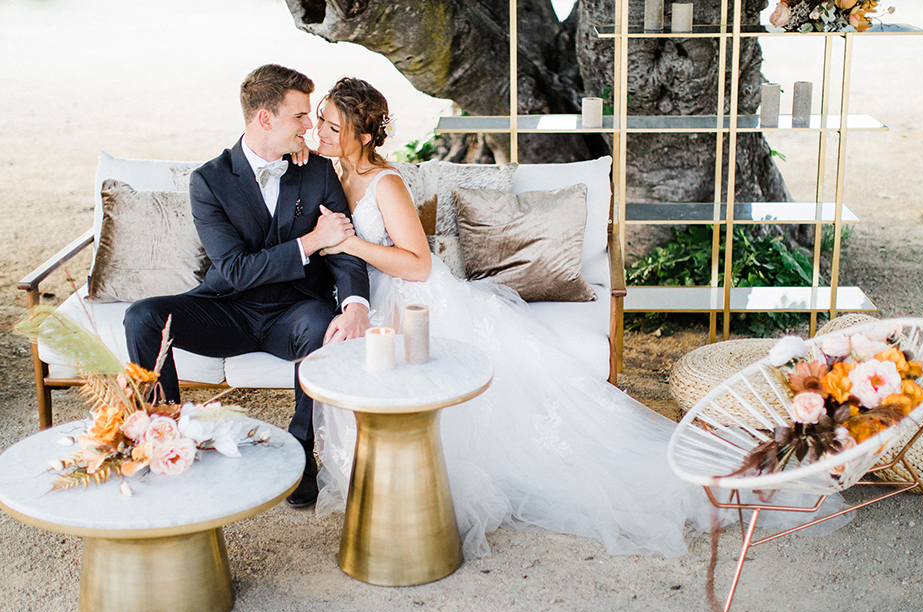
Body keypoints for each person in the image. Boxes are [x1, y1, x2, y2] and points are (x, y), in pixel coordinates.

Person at [309, 77, 849, 559]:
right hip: (373, 297)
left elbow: (420, 264)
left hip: (416, 297)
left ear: (360, 133)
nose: (321, 130)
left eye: (331, 124)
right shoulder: (334, 172)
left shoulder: (387, 184)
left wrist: (351, 243)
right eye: (320, 122)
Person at [124, 65, 371, 508]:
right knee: (142, 316)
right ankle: (168, 438)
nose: (309, 126)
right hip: (229, 310)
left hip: (293, 313)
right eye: (299, 117)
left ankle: (302, 456)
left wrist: (354, 303)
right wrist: (312, 240)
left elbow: (347, 248)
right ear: (265, 119)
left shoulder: (316, 171)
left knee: (322, 323)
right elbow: (234, 270)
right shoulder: (209, 180)